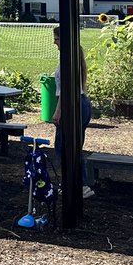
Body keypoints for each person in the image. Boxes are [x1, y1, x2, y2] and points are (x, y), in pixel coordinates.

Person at [52, 25, 94, 198]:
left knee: (65, 147)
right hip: (82, 104)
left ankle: (79, 184)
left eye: (56, 39)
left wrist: (57, 112)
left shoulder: (69, 60)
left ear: (63, 39)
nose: (54, 43)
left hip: (73, 105)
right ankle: (73, 182)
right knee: (72, 146)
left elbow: (65, 90)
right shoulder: (74, 57)